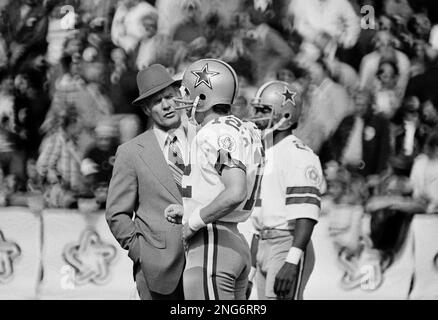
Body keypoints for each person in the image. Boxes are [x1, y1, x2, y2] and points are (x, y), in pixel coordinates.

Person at [165, 58, 263, 300]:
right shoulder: (241, 128)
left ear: (204, 96)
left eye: (187, 92)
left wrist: (193, 222)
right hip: (231, 241)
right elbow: (222, 185)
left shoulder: (214, 133)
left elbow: (235, 191)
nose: (182, 99)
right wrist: (189, 209)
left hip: (213, 243)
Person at [106, 64, 188, 300]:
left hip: (203, 262)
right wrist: (140, 252)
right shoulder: (130, 152)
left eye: (170, 96)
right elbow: (116, 213)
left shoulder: (203, 140)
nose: (166, 105)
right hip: (156, 271)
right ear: (145, 108)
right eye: (156, 101)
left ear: (180, 95)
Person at [247, 80, 325, 300]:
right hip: (264, 242)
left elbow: (306, 214)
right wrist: (251, 271)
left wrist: (292, 260)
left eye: (264, 110)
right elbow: (259, 219)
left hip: (286, 242)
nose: (257, 115)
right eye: (257, 109)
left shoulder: (298, 154)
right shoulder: (263, 151)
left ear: (286, 115)